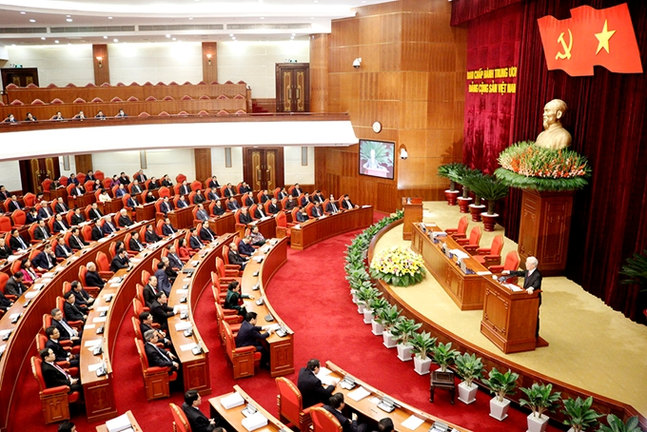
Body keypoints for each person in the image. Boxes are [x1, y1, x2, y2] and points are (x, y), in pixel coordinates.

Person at [503, 256, 543, 337]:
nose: (525, 264)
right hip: (525, 297)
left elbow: (537, 284)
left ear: (533, 265)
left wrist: (531, 288)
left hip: (534, 299)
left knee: (533, 316)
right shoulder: (528, 271)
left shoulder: (537, 275)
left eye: (527, 263)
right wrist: (509, 272)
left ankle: (535, 334)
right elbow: (520, 273)